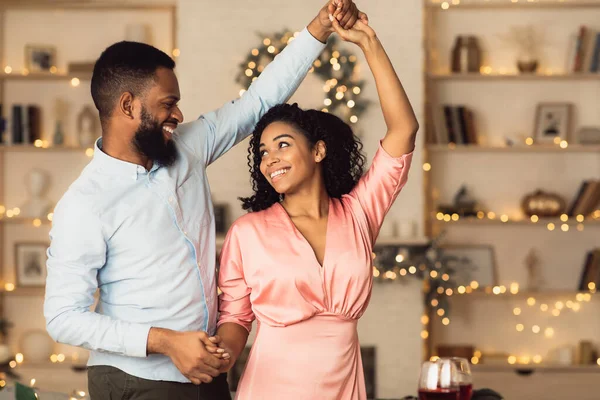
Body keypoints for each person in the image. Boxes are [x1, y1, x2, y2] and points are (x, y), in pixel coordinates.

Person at [43, 1, 362, 399]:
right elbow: (62, 318)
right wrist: (164, 341)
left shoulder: (187, 148)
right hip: (137, 381)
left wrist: (319, 28)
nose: (178, 114)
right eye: (167, 103)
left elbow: (256, 104)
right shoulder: (85, 204)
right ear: (128, 105)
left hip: (207, 374)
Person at [214, 12, 419, 400]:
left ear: (319, 150)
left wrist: (369, 44)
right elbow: (235, 319)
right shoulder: (248, 232)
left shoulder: (359, 212)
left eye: (283, 145)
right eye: (263, 152)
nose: (270, 159)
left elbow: (404, 130)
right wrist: (221, 354)